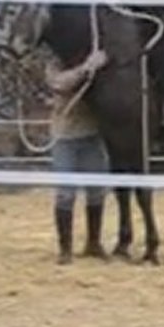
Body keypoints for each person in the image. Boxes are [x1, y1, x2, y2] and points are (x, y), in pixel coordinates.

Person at [45, 49, 110, 264]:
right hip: (64, 137)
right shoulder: (55, 62)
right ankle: (65, 250)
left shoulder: (96, 64)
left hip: (92, 134)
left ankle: (93, 243)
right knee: (65, 193)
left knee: (97, 192)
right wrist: (87, 67)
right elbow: (59, 83)